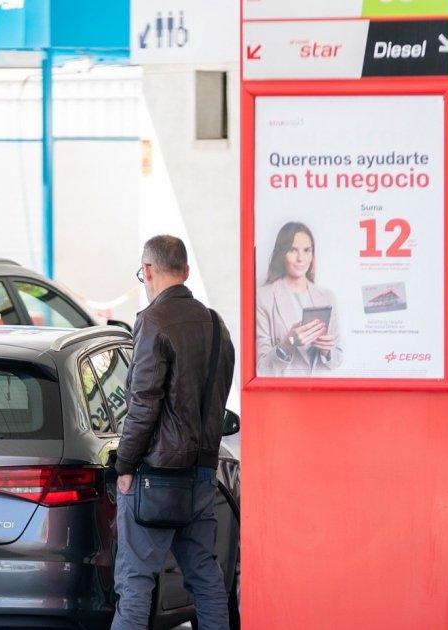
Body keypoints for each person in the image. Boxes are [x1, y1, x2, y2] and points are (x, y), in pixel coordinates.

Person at [113, 235, 236, 630]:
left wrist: (125, 464)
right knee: (205, 576)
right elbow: (216, 397)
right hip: (201, 476)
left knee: (134, 581)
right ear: (185, 271)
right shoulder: (217, 325)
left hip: (156, 478)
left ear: (148, 270)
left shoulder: (152, 322)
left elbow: (143, 403)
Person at [256, 221, 343, 376]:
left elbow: (337, 360)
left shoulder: (327, 297)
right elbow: (262, 368)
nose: (301, 258)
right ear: (282, 254)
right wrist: (287, 343)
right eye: (293, 250)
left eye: (307, 250)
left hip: (320, 393)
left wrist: (327, 351)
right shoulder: (264, 298)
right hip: (285, 394)